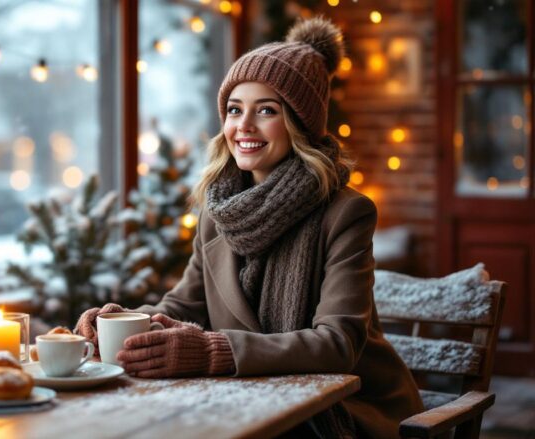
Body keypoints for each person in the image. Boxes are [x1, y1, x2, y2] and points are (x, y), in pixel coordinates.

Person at [75, 17, 423, 438]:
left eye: (267, 111)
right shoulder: (216, 212)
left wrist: (213, 352)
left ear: (299, 125)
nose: (244, 126)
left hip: (343, 408)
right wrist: (123, 324)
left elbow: (337, 344)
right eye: (235, 109)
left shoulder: (346, 214)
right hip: (253, 401)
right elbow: (185, 308)